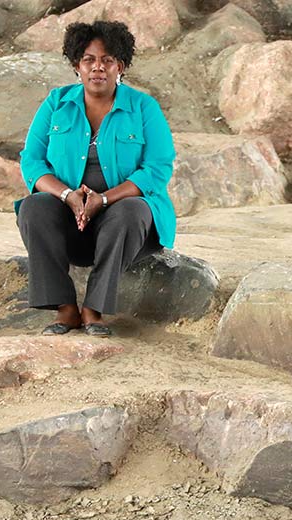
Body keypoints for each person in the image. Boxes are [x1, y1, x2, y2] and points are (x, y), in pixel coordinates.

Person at [17, 20, 178, 337]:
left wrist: (103, 200)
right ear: (77, 65)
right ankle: (65, 309)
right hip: (71, 222)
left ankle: (93, 309)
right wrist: (68, 197)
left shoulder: (143, 107)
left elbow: (157, 168)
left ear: (120, 65)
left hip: (124, 228)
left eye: (107, 60)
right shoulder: (56, 104)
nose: (98, 68)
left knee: (132, 210)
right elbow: (32, 161)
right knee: (33, 207)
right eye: (89, 60)